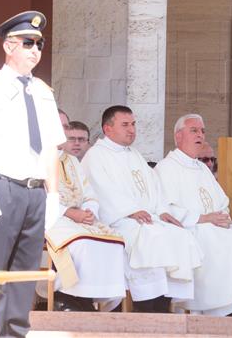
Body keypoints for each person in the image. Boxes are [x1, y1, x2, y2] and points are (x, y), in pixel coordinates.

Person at [0, 10, 65, 337]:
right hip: (3, 186)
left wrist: (53, 195)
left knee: (24, 275)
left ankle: (15, 334)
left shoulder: (44, 92)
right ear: (9, 46)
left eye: (39, 44)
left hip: (35, 191)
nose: (35, 50)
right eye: (28, 43)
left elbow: (51, 147)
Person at [155, 114, 232, 316]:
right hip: (191, 228)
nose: (201, 135)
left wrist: (222, 216)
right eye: (194, 130)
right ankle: (221, 307)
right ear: (178, 137)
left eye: (203, 131)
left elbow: (221, 201)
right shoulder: (166, 167)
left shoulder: (202, 168)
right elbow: (165, 208)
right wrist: (204, 219)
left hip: (214, 224)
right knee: (223, 244)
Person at [82, 105, 202, 313]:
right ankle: (145, 307)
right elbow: (102, 190)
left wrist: (162, 210)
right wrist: (129, 210)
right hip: (118, 221)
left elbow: (154, 186)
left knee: (179, 236)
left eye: (134, 124)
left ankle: (164, 306)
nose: (132, 130)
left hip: (148, 217)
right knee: (152, 238)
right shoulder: (96, 156)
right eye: (125, 125)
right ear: (108, 129)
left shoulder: (135, 154)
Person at [41, 110, 125, 312]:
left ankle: (89, 299)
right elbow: (38, 196)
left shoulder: (72, 161)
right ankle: (66, 298)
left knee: (114, 242)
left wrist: (88, 211)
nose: (64, 131)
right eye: (60, 126)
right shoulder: (37, 157)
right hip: (53, 218)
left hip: (80, 218)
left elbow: (89, 193)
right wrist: (70, 213)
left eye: (66, 127)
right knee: (82, 243)